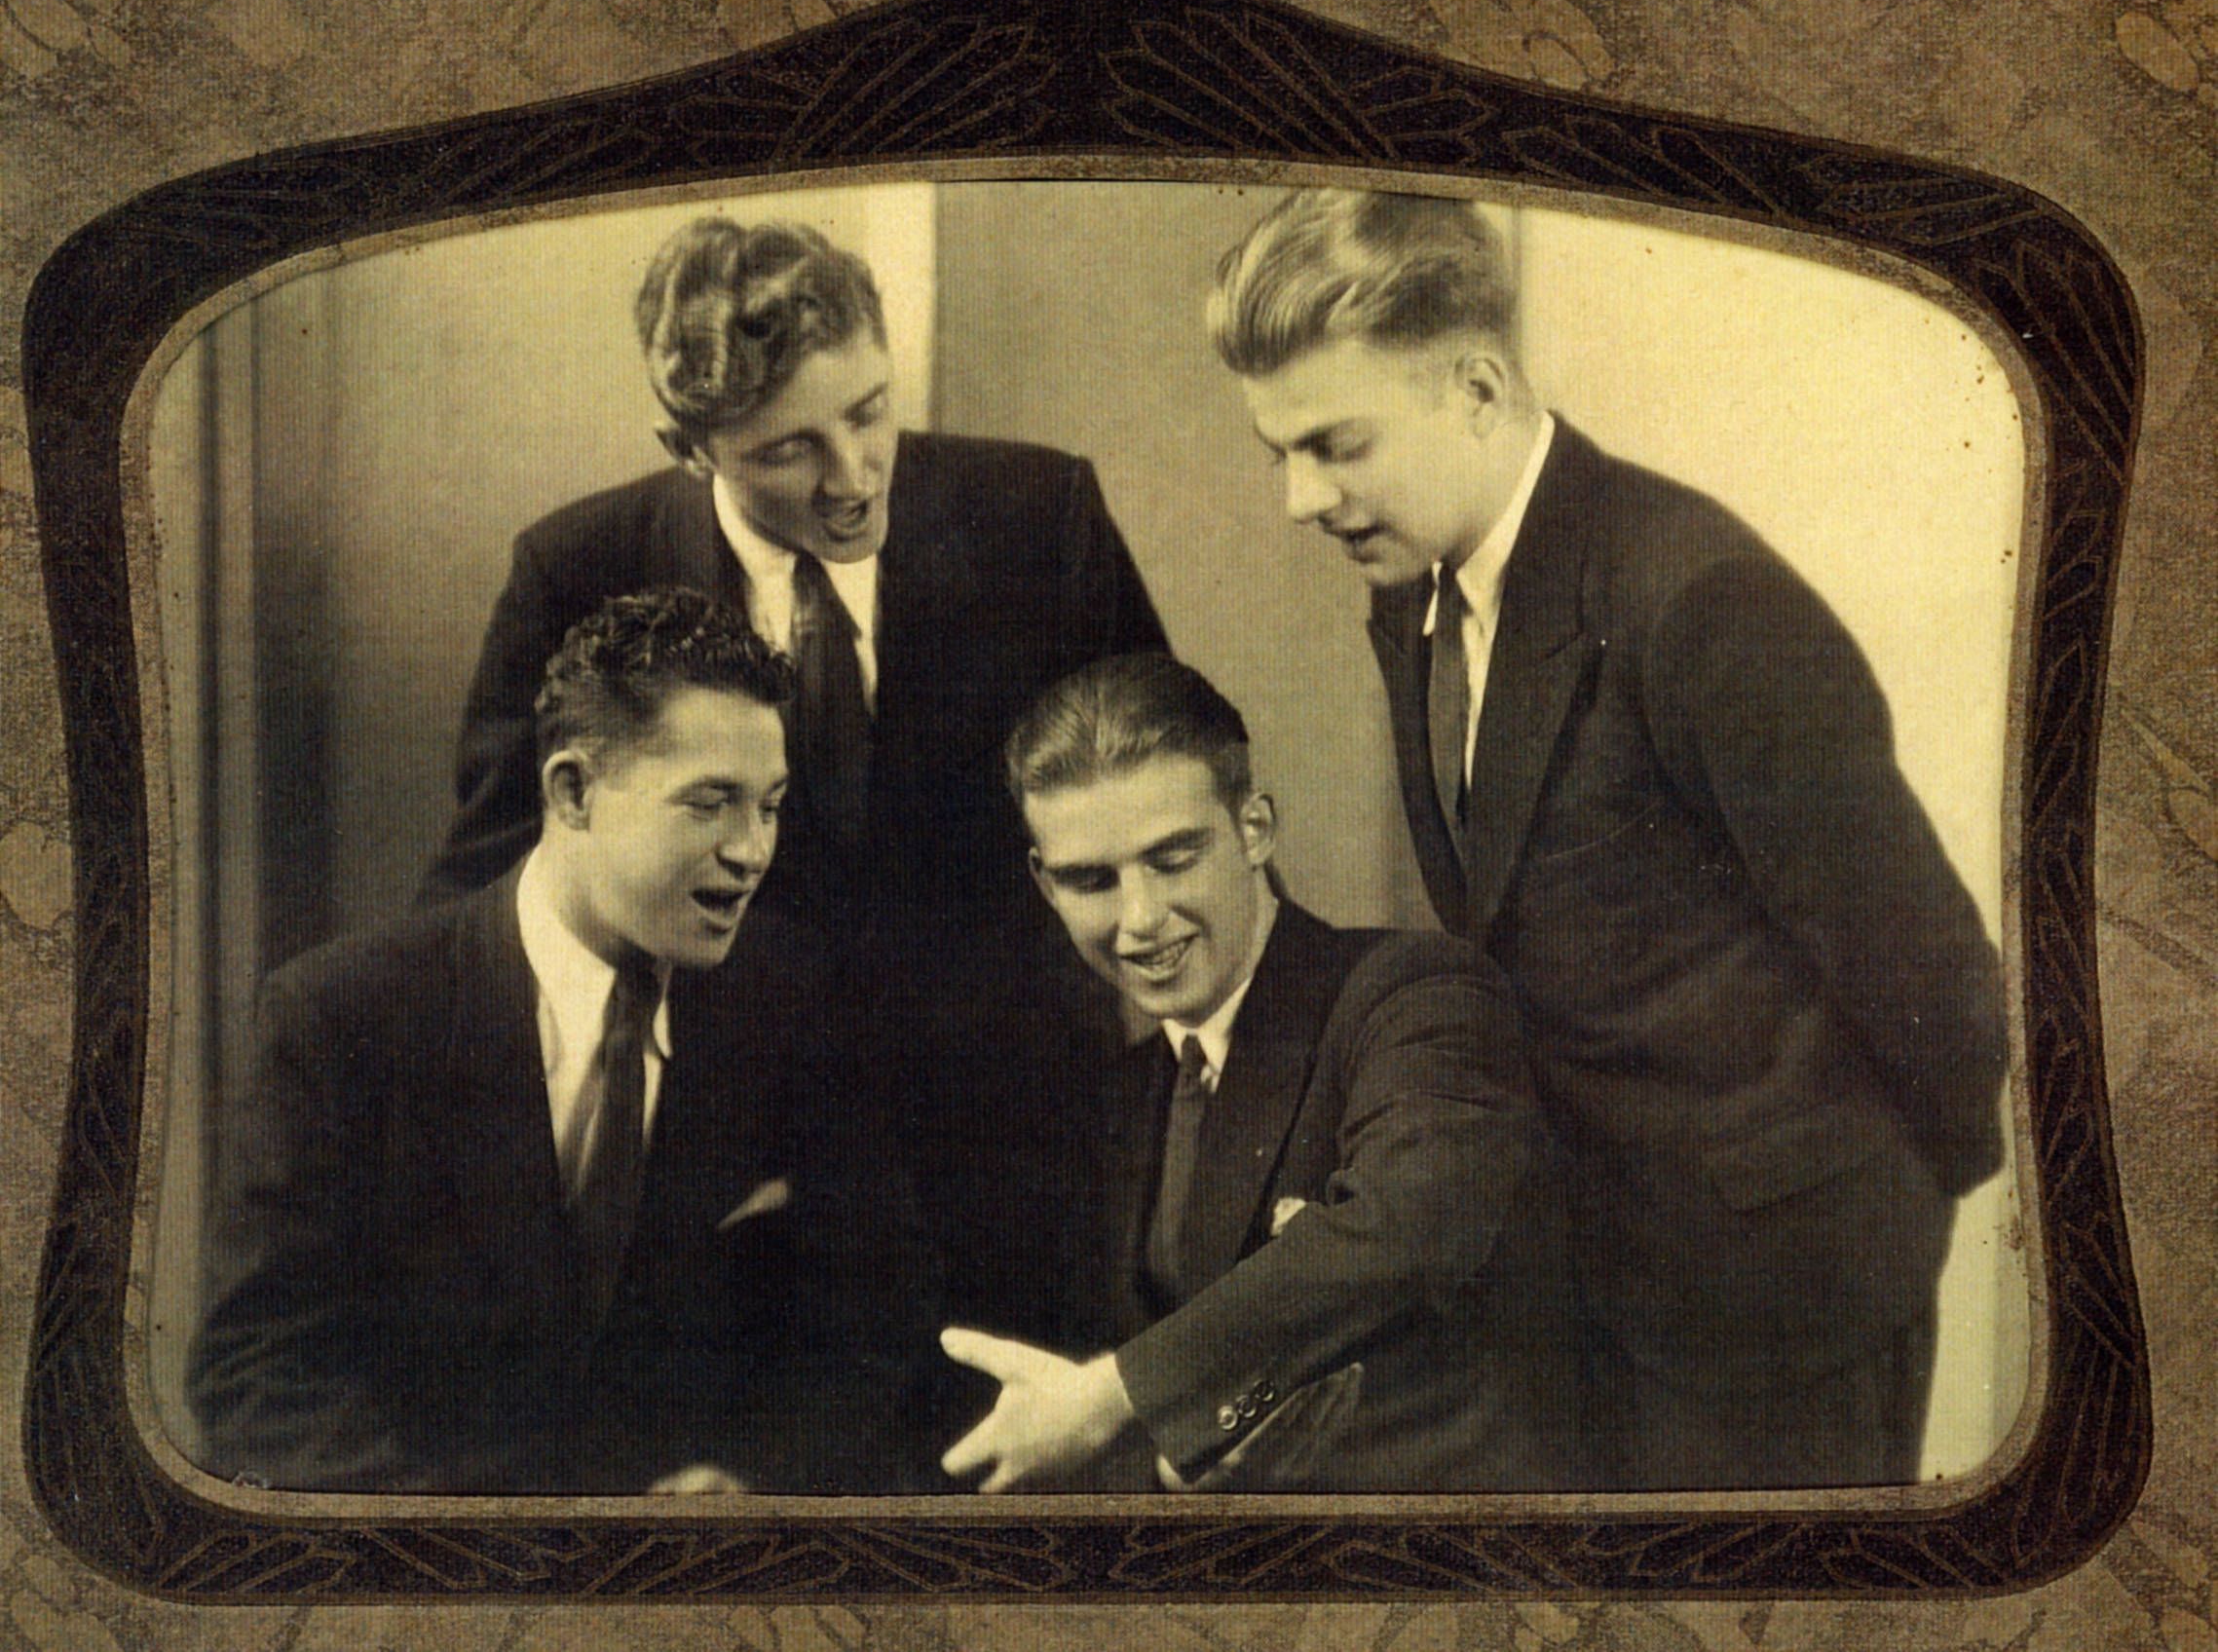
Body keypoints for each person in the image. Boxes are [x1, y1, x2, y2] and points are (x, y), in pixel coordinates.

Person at [1205, 188, 2011, 1490]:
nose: (1303, 496)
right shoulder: (1413, 594)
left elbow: (1932, 974)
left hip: (1776, 1312)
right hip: (1588, 1282)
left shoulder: (1699, 599)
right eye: (1278, 451)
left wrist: (1854, 1209)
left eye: (1337, 444)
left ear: (1477, 387)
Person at [419, 216, 1168, 1343]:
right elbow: (487, 881)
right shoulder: (576, 568)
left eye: (869, 411)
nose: (855, 477)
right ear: (689, 447)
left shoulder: (1039, 515)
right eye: (787, 451)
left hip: (1018, 1144)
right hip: (730, 1172)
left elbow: (1170, 788)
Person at [187, 588, 936, 1494]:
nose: (751, 851)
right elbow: (257, 1378)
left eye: (770, 806)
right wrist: (515, 1545)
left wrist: (750, 1478)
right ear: (572, 791)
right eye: (710, 803)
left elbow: (871, 1332)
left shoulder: (798, 1003)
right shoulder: (342, 1019)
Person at [938, 654, 1589, 1493]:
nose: (1140, 919)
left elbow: (1409, 1227)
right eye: (1091, 880)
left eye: (1173, 857)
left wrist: (1114, 1395)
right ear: (1044, 884)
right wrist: (1177, 1457)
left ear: (1254, 829)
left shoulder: (1413, 994)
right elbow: (1202, 1410)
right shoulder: (1121, 1097)